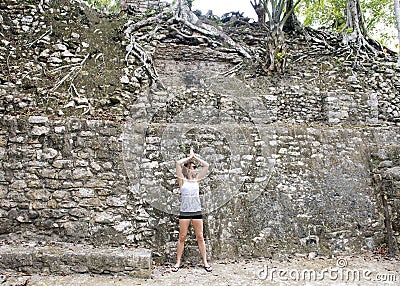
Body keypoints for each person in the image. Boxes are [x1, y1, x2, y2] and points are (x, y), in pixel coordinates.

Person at [172, 147, 212, 272]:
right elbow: (178, 163)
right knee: (182, 236)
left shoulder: (197, 180)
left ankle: (205, 262)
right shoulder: (182, 181)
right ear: (186, 169)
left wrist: (195, 158)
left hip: (196, 211)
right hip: (184, 212)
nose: (193, 169)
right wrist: (189, 158)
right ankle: (178, 262)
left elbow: (206, 165)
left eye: (194, 167)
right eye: (191, 167)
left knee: (200, 236)